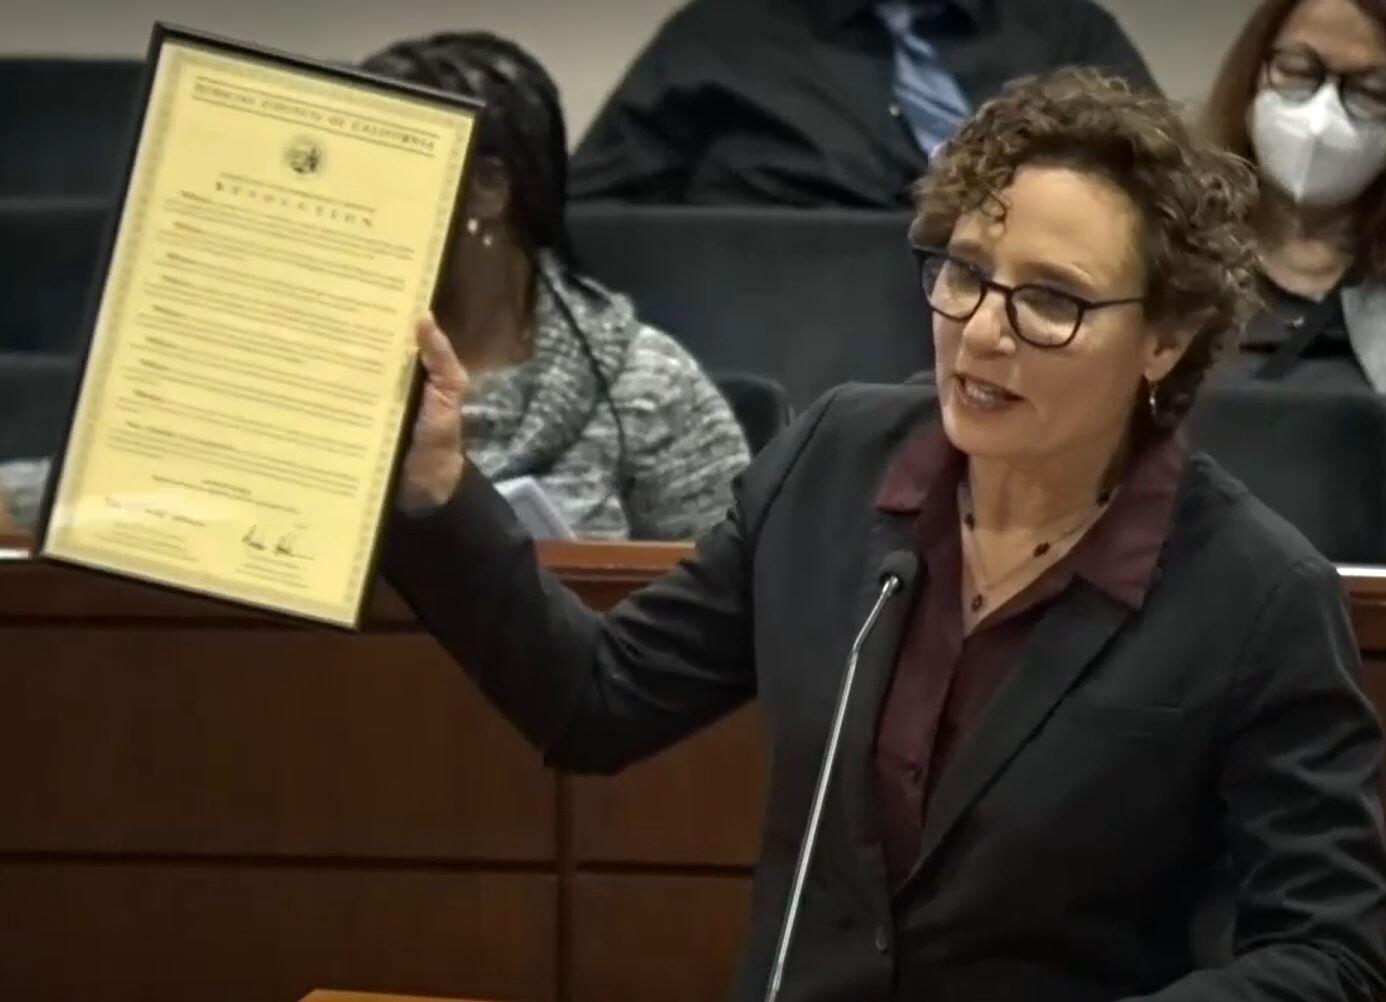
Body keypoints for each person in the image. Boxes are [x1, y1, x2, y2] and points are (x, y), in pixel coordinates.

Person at [385, 68, 1386, 1000]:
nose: (984, 331)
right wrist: (436, 485)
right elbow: (595, 701)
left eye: (1050, 300)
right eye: (965, 272)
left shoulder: (1256, 596)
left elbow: (1332, 950)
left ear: (1164, 339)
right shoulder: (838, 463)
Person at [360, 33, 750, 539]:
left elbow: (733, 598)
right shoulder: (311, 361)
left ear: (487, 189)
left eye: (385, 173)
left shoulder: (647, 387)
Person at [570, 0, 1157, 207]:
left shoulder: (1069, 35)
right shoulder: (717, 38)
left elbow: (1171, 205)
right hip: (787, 357)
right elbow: (593, 229)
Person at [1204, 0, 1386, 390]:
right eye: (1298, 70)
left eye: (1370, 92)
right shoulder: (1174, 248)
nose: (1321, 118)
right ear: (1253, 71)